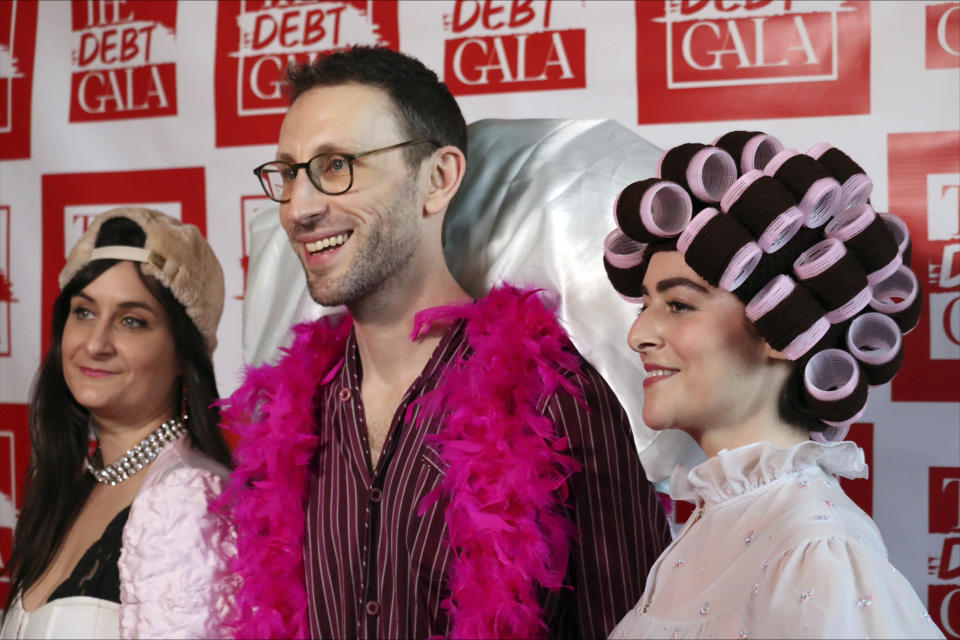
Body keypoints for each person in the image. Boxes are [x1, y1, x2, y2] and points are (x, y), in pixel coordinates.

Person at [217, 45, 670, 639]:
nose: (299, 208)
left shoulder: (558, 400)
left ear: (437, 179)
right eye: (289, 173)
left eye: (335, 167)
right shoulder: (286, 417)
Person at [602, 133, 944, 638]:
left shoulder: (814, 552)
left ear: (784, 328)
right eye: (644, 306)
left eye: (679, 305)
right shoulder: (722, 519)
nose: (637, 336)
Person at [1, 208, 234, 638]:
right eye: (84, 312)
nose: (96, 343)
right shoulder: (75, 483)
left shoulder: (187, 502)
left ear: (185, 354)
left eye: (132, 321)